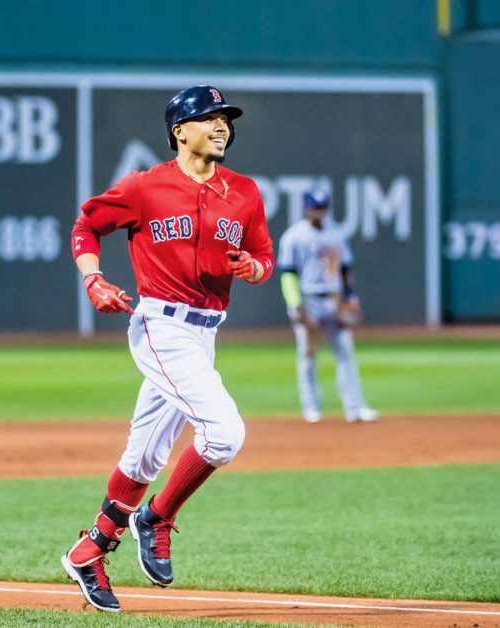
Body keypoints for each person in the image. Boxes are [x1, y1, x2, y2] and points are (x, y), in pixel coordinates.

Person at [61, 85, 274, 612]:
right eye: (209, 118)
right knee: (224, 433)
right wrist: (94, 281)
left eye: (226, 119)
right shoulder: (145, 187)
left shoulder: (245, 192)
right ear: (180, 131)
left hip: (205, 333)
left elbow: (265, 255)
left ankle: (89, 552)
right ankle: (156, 517)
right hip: (160, 325)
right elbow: (87, 226)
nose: (222, 126)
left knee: (144, 458)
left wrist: (253, 268)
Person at [277, 189, 379, 424]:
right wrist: (296, 305)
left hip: (333, 298)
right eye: (315, 207)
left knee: (345, 351)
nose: (319, 211)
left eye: (322, 207)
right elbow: (288, 275)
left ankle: (355, 407)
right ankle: (311, 408)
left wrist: (351, 297)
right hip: (308, 298)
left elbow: (345, 270)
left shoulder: (336, 234)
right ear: (306, 208)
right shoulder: (293, 236)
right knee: (308, 354)